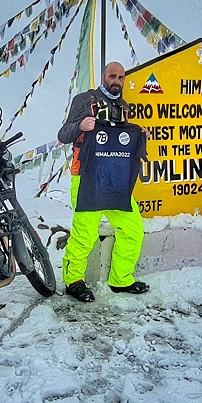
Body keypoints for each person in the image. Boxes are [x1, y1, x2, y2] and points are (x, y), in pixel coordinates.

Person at [57, 61, 150, 302]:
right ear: (103, 76)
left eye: (121, 77)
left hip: (115, 179)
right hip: (87, 178)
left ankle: (121, 280)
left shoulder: (124, 107)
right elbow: (63, 134)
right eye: (112, 76)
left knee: (132, 229)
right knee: (85, 234)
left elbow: (121, 140)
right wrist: (79, 125)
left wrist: (139, 136)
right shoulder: (84, 100)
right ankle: (73, 281)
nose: (117, 81)